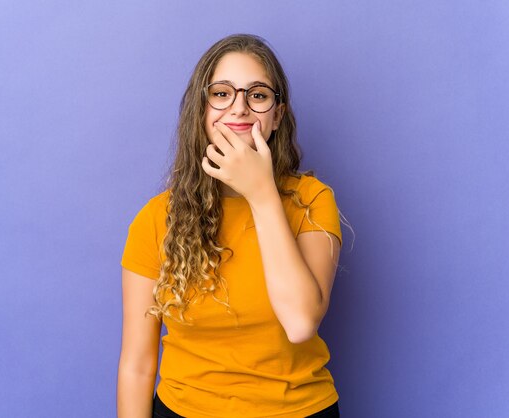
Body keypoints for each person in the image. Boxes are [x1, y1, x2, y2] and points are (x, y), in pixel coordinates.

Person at [117, 33, 351, 418]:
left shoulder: (312, 200)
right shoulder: (156, 219)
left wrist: (262, 195)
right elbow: (137, 365)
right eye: (222, 93)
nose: (239, 108)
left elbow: (300, 322)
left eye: (257, 95)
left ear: (277, 115)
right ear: (201, 110)